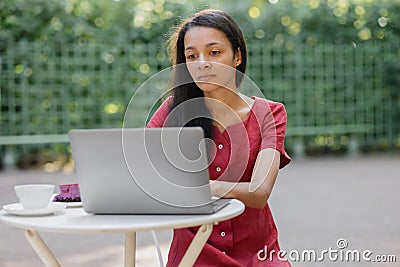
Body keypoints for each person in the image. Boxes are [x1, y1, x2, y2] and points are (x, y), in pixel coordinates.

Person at [147, 9, 291, 267]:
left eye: (214, 52)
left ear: (237, 56)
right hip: (193, 256)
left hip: (257, 255)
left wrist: (199, 187)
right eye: (192, 56)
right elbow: (140, 172)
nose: (202, 63)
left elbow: (258, 193)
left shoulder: (269, 113)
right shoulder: (172, 111)